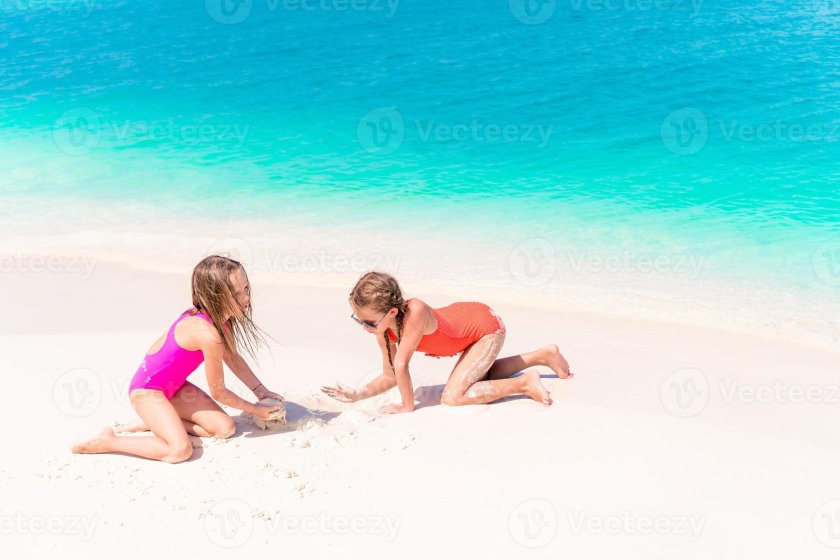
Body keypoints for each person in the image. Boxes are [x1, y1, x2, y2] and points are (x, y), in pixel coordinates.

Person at [72, 255, 283, 463]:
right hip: (147, 391)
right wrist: (256, 410)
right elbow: (219, 391)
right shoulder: (207, 333)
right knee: (179, 451)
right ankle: (110, 441)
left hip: (174, 388)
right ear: (215, 297)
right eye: (236, 294)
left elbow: (233, 358)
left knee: (224, 428)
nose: (246, 298)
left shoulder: (221, 321)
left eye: (246, 289)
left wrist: (261, 391)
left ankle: (155, 422)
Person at [322, 271, 572, 413]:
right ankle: (543, 356)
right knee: (476, 377)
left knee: (453, 397)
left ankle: (525, 383)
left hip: (485, 327)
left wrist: (407, 407)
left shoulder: (415, 311)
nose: (366, 328)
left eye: (370, 323)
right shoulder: (384, 331)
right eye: (360, 321)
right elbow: (389, 376)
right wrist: (358, 394)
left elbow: (401, 366)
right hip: (467, 336)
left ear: (392, 313)